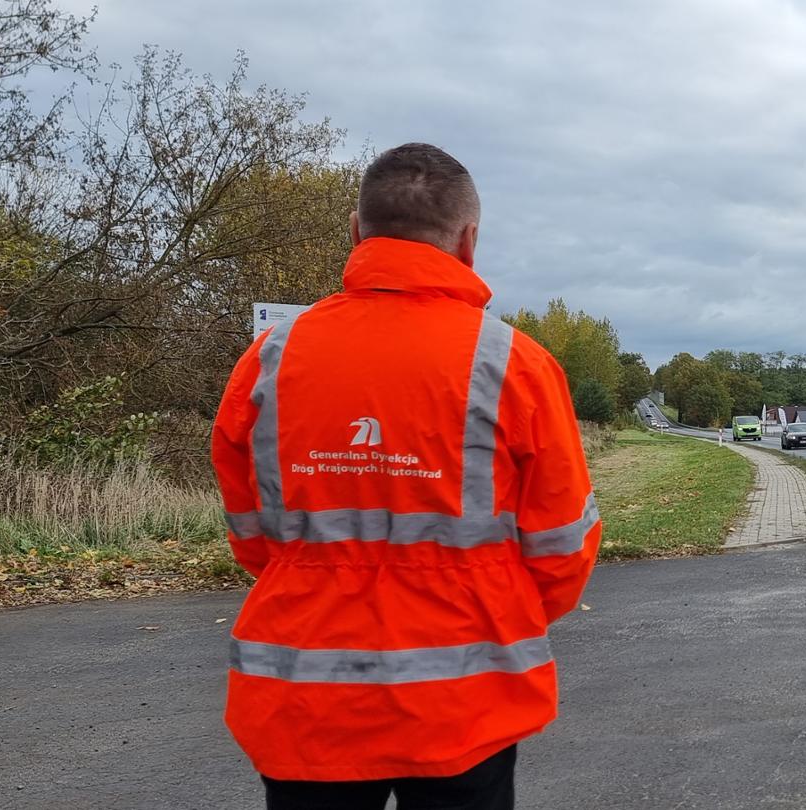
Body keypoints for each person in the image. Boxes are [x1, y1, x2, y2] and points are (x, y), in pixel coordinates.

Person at [210, 143, 602, 810]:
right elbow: (562, 546)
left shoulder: (273, 357)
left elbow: (250, 531)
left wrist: (316, 581)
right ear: (469, 241)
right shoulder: (514, 365)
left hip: (303, 700)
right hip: (465, 705)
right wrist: (493, 606)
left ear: (358, 231)